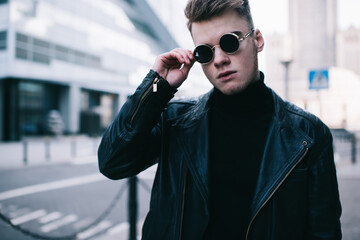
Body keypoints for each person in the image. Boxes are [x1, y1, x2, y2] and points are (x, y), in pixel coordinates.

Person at [98, 0, 342, 239]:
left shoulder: (308, 134)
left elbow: (323, 231)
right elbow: (113, 162)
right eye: (205, 52)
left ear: (257, 40)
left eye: (230, 42)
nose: (219, 59)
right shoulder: (175, 120)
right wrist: (156, 86)